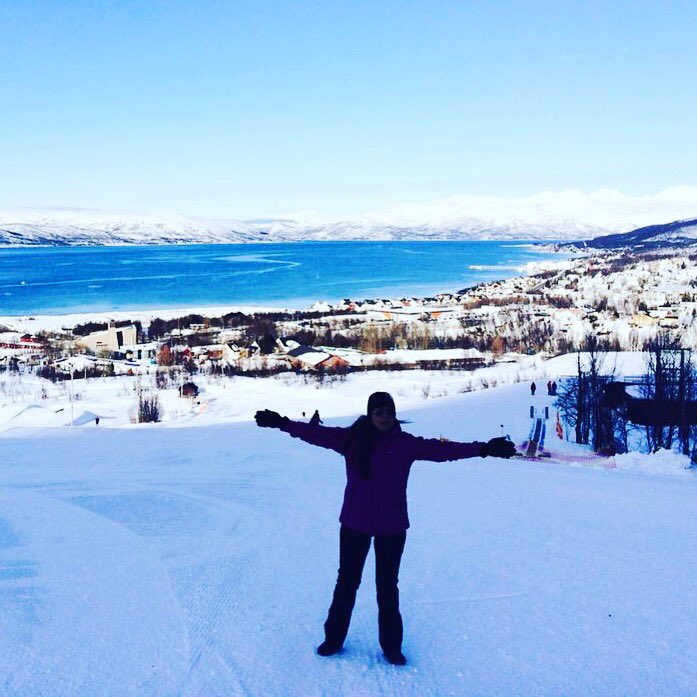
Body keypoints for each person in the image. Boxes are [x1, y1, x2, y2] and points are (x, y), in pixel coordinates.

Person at [254, 391, 516, 666]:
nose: (384, 417)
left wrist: (484, 448)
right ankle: (333, 639)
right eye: (379, 412)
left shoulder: (404, 444)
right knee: (347, 582)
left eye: (389, 412)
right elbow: (315, 434)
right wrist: (282, 422)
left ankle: (391, 647)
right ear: (370, 414)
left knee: (387, 587)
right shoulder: (350, 439)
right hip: (355, 522)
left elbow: (444, 451)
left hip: (392, 526)